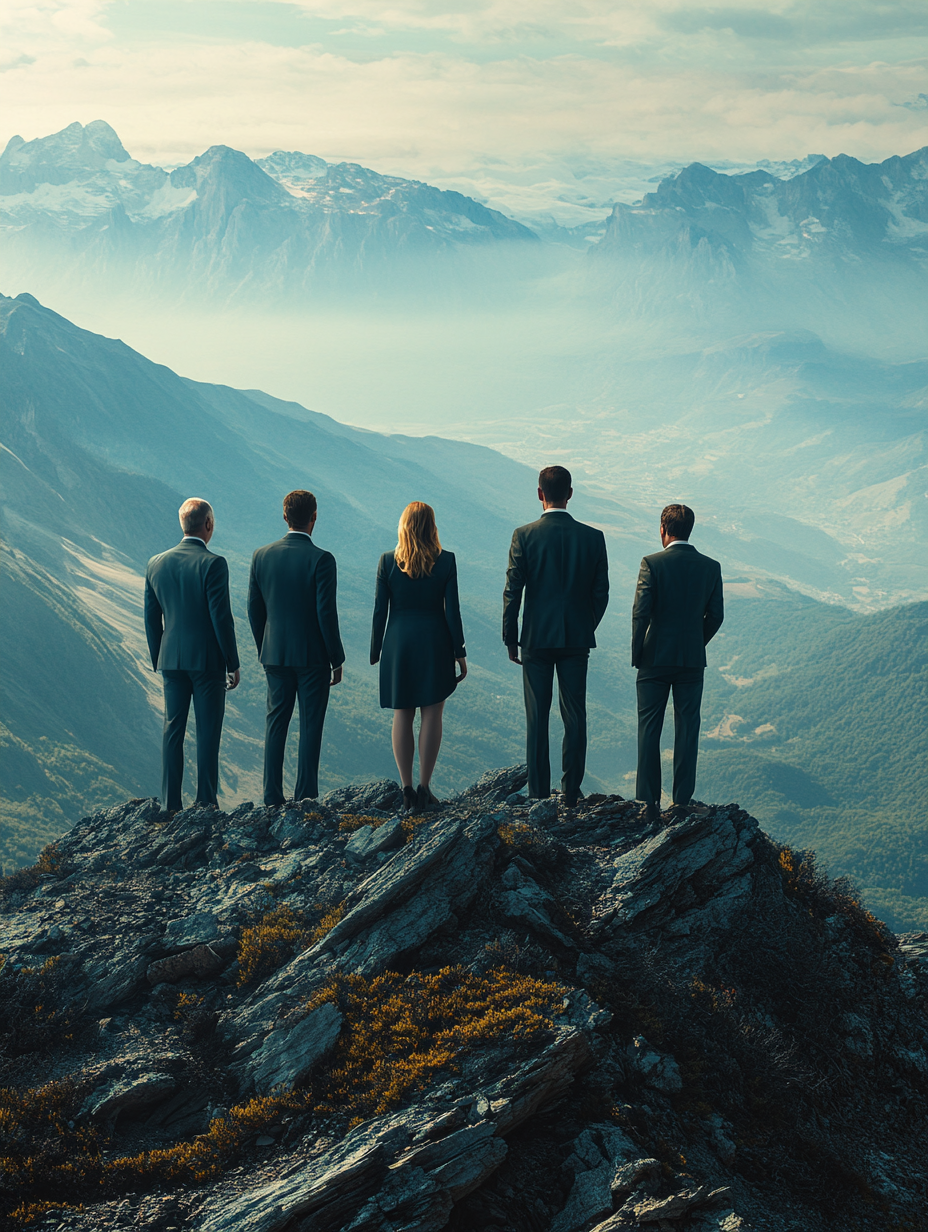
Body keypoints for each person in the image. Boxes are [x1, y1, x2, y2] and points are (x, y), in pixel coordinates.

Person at [503, 465, 609, 807]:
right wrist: (585, 625)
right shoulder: (593, 537)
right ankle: (571, 792)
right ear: (570, 493)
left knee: (537, 716)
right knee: (575, 714)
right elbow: (601, 592)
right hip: (576, 638)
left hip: (535, 637)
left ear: (539, 493)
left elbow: (513, 590)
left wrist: (510, 635)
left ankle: (537, 793)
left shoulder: (524, 535)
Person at [248, 490, 345, 807]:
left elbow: (254, 609)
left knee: (276, 723)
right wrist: (336, 657)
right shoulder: (321, 560)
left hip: (274, 653)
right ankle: (305, 797)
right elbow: (325, 613)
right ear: (314, 516)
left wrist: (265, 646)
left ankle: (271, 797)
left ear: (284, 516)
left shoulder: (260, 555)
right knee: (310, 725)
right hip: (313, 656)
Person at [144, 498, 240, 812]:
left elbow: (151, 617)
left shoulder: (155, 563)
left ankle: (170, 803)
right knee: (208, 731)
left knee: (173, 729)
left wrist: (159, 656)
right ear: (208, 524)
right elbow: (221, 618)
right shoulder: (214, 563)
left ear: (182, 524)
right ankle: (205, 802)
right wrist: (232, 662)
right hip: (208, 661)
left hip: (171, 659)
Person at [370, 502, 466, 812]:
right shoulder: (447, 561)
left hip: (398, 644)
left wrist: (376, 651)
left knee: (402, 714)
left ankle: (406, 789)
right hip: (435, 642)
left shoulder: (387, 562)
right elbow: (453, 611)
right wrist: (459, 651)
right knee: (432, 714)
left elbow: (379, 611)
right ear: (432, 526)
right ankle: (425, 787)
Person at [631, 502, 724, 822]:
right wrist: (696, 642)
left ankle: (647, 802)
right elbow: (716, 616)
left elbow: (641, 613)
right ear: (690, 529)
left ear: (662, 529)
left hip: (654, 657)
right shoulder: (711, 567)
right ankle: (681, 800)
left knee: (649, 728)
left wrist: (637, 652)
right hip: (691, 660)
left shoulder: (651, 563)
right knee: (687, 728)